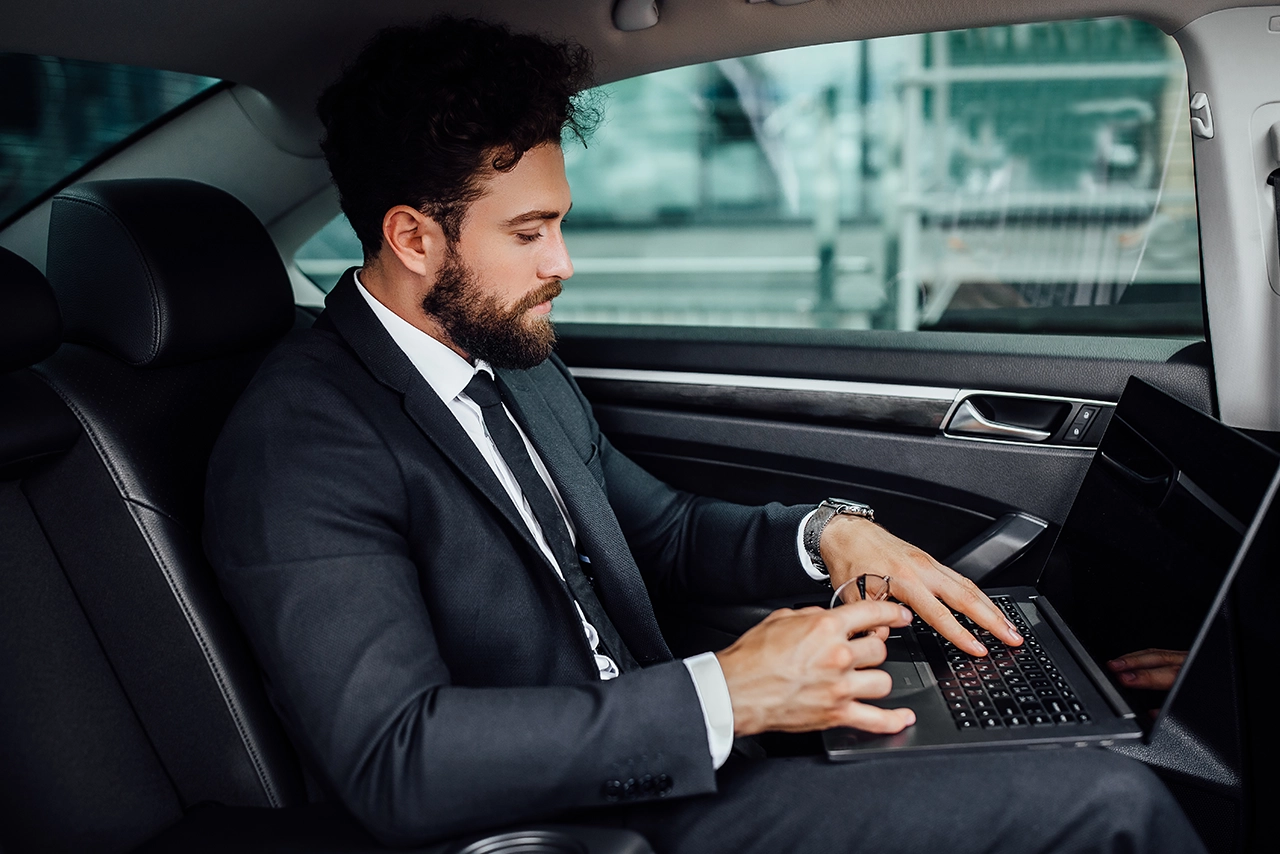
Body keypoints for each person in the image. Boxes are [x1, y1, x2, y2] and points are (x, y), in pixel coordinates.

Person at [204, 17, 1207, 854]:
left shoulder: (511, 360)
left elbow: (666, 529)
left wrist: (829, 535)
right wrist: (725, 693)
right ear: (414, 237)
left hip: (688, 749)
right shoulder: (299, 441)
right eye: (526, 232)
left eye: (558, 222)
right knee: (1114, 807)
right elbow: (396, 758)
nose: (561, 262)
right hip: (597, 818)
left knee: (1086, 731)